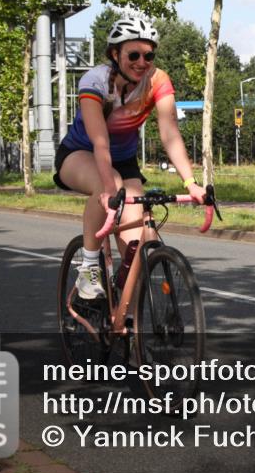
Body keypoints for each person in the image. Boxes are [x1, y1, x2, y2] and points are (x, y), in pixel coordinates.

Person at [54, 17, 205, 299]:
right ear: (115, 54)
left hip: (124, 161)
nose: (142, 62)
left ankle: (122, 314)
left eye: (148, 55)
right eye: (133, 55)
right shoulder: (95, 81)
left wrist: (191, 182)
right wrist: (110, 189)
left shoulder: (157, 81)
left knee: (134, 245)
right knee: (107, 182)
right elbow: (100, 142)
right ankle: (88, 268)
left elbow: (170, 135)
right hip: (80, 153)